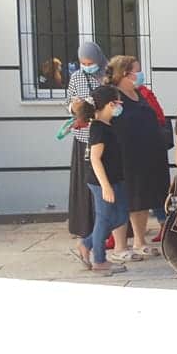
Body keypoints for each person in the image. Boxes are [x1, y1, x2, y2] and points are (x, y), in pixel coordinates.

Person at [104, 55, 171, 261]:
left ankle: (140, 242)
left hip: (146, 155)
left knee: (142, 200)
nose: (139, 74)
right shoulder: (112, 95)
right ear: (124, 73)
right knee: (125, 201)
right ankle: (120, 247)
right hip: (124, 156)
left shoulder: (139, 94)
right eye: (136, 70)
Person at [71, 85, 130, 276]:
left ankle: (86, 243)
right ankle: (99, 260)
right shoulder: (98, 128)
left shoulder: (108, 125)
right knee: (104, 219)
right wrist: (105, 186)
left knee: (120, 216)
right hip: (102, 182)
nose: (120, 106)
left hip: (115, 178)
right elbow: (95, 159)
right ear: (110, 104)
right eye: (118, 102)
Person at [65, 42, 107, 238]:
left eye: (90, 62)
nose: (87, 65)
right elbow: (68, 103)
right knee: (86, 181)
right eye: (83, 62)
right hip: (83, 136)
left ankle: (108, 225)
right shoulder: (76, 77)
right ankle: (84, 225)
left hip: (105, 135)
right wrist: (74, 107)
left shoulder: (107, 75)